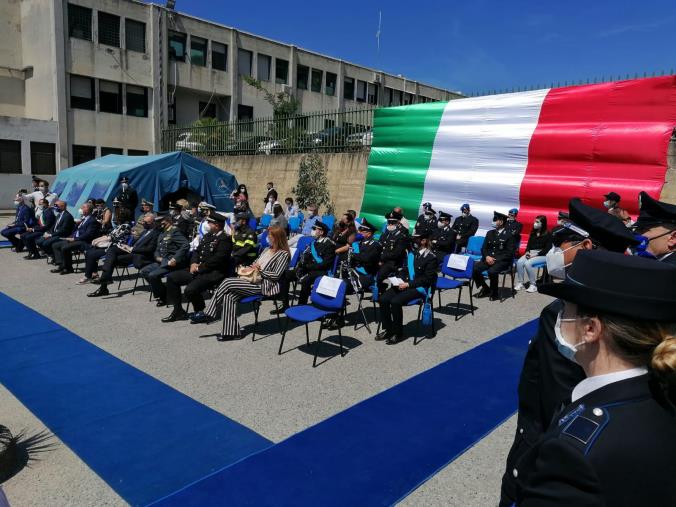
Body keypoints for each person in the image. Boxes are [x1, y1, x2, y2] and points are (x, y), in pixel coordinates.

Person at [498, 198, 639, 507]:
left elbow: (555, 397)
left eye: (562, 243)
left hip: (551, 456)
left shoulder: (566, 314)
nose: (556, 252)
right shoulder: (627, 305)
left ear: (586, 245)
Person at [511, 250, 676, 507]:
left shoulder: (573, 455)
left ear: (590, 329)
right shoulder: (662, 393)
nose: (559, 318)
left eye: (565, 309)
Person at [190, 225, 290, 341]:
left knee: (227, 281)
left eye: (270, 236)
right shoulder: (266, 250)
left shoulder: (283, 254)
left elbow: (276, 275)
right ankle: (232, 332)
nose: (268, 237)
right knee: (229, 296)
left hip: (265, 285)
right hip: (252, 280)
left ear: (277, 238)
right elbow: (255, 263)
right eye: (268, 235)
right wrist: (250, 268)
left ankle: (209, 313)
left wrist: (260, 270)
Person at [162, 213, 233, 322]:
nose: (208, 224)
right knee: (172, 277)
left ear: (217, 225)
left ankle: (199, 311)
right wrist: (193, 263)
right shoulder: (208, 235)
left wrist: (200, 268)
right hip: (198, 269)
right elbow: (197, 251)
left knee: (189, 290)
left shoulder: (225, 239)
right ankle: (178, 311)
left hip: (212, 273)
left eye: (210, 222)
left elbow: (218, 259)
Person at [375, 231, 437, 345]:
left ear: (423, 241)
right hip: (405, 284)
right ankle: (389, 329)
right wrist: (398, 279)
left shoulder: (431, 258)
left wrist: (408, 284)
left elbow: (427, 279)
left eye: (416, 239)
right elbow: (404, 270)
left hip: (419, 288)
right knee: (383, 299)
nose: (413, 241)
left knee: (395, 301)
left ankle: (398, 333)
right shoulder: (412, 254)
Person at [87, 213, 160, 297]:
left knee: (110, 260)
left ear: (153, 223)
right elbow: (138, 242)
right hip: (132, 251)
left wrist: (132, 249)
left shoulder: (156, 233)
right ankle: (105, 280)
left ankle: (104, 285)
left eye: (146, 222)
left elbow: (150, 249)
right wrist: (127, 246)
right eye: (143, 222)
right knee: (112, 250)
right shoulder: (146, 230)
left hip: (140, 255)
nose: (143, 223)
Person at [275, 221, 335, 313]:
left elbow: (325, 264)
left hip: (320, 271)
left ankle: (301, 308)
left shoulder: (329, 244)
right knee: (285, 275)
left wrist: (308, 267)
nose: (313, 231)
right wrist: (300, 266)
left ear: (322, 232)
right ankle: (285, 305)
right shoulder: (313, 242)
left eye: (315, 229)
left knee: (306, 279)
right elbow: (305, 257)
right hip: (308, 268)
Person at [140, 213, 190, 305]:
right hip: (162, 261)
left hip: (172, 262)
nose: (160, 223)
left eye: (161, 221)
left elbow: (186, 245)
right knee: (144, 271)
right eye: (158, 222)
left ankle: (163, 297)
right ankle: (165, 294)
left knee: (153, 275)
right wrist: (157, 256)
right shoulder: (162, 233)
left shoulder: (175, 232)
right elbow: (157, 249)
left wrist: (175, 258)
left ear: (168, 221)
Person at [78, 208, 133, 284]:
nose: (116, 217)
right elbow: (109, 235)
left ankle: (88, 276)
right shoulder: (120, 225)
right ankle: (93, 273)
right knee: (89, 251)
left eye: (118, 215)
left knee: (91, 254)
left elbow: (112, 237)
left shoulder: (126, 226)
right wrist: (96, 239)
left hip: (117, 248)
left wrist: (97, 240)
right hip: (110, 246)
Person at [471, 211, 516, 301]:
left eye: (495, 219)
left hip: (502, 261)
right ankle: (485, 288)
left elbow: (509, 252)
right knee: (475, 268)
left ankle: (494, 292)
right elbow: (484, 248)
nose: (493, 221)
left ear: (501, 222)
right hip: (488, 258)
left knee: (492, 271)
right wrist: (487, 257)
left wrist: (496, 259)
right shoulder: (490, 233)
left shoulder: (509, 235)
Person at [50, 203, 100, 275]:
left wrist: (75, 239)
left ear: (88, 210)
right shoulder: (84, 219)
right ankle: (62, 265)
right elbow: (76, 231)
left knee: (65, 248)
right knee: (56, 245)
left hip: (84, 241)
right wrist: (70, 237)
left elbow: (88, 235)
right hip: (76, 239)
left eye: (83, 207)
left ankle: (68, 268)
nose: (81, 209)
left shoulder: (92, 221)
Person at [632, 191, 676, 264]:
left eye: (642, 229)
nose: (636, 233)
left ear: (673, 238)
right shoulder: (658, 263)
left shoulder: (669, 272)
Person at [515, 215, 552, 293]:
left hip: (542, 255)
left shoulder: (548, 234)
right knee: (519, 262)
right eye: (535, 221)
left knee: (528, 263)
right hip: (531, 253)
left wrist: (535, 255)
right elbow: (528, 245)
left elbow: (547, 249)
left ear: (542, 223)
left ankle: (533, 285)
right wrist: (527, 252)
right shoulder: (533, 233)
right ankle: (520, 282)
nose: (535, 223)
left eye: (537, 222)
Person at [376, 211, 410, 294]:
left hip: (394, 262)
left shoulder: (401, 236)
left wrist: (382, 259)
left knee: (380, 275)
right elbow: (379, 245)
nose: (390, 224)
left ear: (398, 222)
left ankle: (387, 293)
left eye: (393, 222)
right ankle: (379, 288)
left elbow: (396, 254)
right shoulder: (386, 233)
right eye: (389, 222)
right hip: (383, 259)